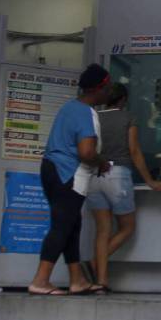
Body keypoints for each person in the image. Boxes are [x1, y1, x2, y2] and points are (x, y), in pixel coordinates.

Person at [28, 63, 111, 296]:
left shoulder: (69, 107)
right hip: (69, 173)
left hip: (51, 169)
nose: (110, 92)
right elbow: (86, 152)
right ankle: (40, 280)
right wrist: (102, 162)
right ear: (98, 89)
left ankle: (78, 280)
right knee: (62, 226)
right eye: (108, 88)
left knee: (72, 225)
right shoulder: (86, 113)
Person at [85, 83, 161, 292]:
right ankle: (95, 264)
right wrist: (149, 180)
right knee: (127, 227)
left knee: (102, 230)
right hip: (117, 175)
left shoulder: (94, 117)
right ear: (123, 99)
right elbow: (134, 150)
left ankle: (101, 280)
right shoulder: (128, 118)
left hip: (94, 175)